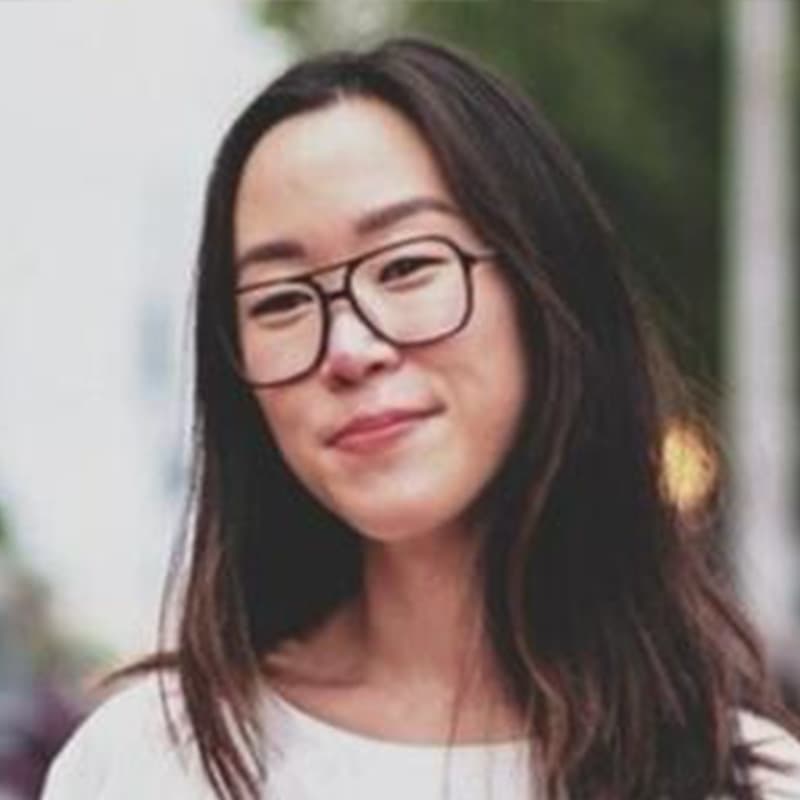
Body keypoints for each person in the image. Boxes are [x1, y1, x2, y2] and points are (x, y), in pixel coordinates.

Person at [42, 36, 800, 800]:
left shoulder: (739, 780)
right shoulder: (145, 765)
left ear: (545, 292)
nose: (348, 347)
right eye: (279, 302)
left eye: (405, 266)